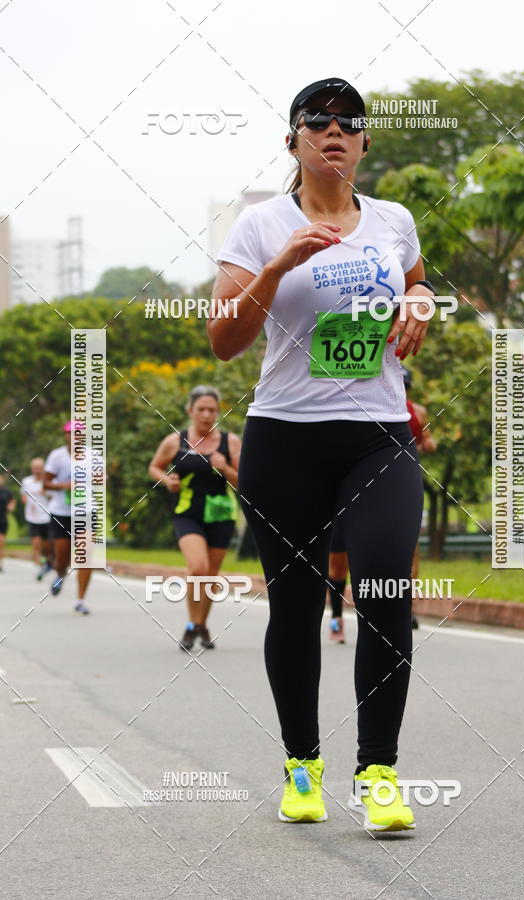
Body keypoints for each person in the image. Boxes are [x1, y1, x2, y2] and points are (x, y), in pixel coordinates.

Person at [209, 77, 435, 831]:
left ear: (365, 143)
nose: (333, 130)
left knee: (382, 594)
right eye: (317, 120)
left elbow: (416, 280)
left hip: (378, 434)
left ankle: (379, 774)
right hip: (285, 439)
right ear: (294, 139)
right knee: (298, 607)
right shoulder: (259, 223)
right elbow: (223, 338)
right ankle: (301, 764)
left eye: (348, 123)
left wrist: (421, 302)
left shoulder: (394, 220)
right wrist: (281, 266)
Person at [326, 365, 437, 639]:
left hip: (396, 484)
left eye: (406, 384)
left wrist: (419, 442)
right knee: (338, 566)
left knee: (407, 552)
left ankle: (405, 608)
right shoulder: (360, 402)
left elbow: (429, 443)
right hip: (347, 485)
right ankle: (337, 617)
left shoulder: (417, 412)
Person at [149, 385, 241, 652]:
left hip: (221, 514)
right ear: (190, 410)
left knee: (210, 576)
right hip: (187, 514)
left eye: (212, 410)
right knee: (198, 568)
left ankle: (201, 623)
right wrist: (168, 480)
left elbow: (245, 482)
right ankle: (192, 624)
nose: (206, 414)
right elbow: (154, 466)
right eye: (201, 409)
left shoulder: (230, 443)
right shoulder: (174, 441)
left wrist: (225, 469)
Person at [43, 421, 95, 613]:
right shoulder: (57, 456)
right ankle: (60, 574)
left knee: (85, 556)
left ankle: (80, 600)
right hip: (61, 512)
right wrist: (63, 486)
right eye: (70, 433)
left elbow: (101, 477)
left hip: (86, 510)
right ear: (65, 435)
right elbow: (46, 484)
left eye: (79, 433)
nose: (74, 436)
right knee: (62, 558)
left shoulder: (93, 455)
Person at [21, 457, 54, 580]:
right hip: (32, 517)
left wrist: (46, 492)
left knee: (46, 546)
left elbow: (54, 497)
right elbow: (23, 497)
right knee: (36, 543)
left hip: (46, 516)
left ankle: (46, 562)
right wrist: (28, 503)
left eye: (39, 468)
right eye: (35, 468)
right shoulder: (26, 481)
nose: (37, 470)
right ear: (32, 469)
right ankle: (40, 566)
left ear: (43, 468)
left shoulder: (48, 482)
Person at [0, 473, 16, 572]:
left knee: (1, 543)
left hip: (2, 520)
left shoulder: (6, 492)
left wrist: (11, 506)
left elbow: (12, 500)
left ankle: (0, 564)